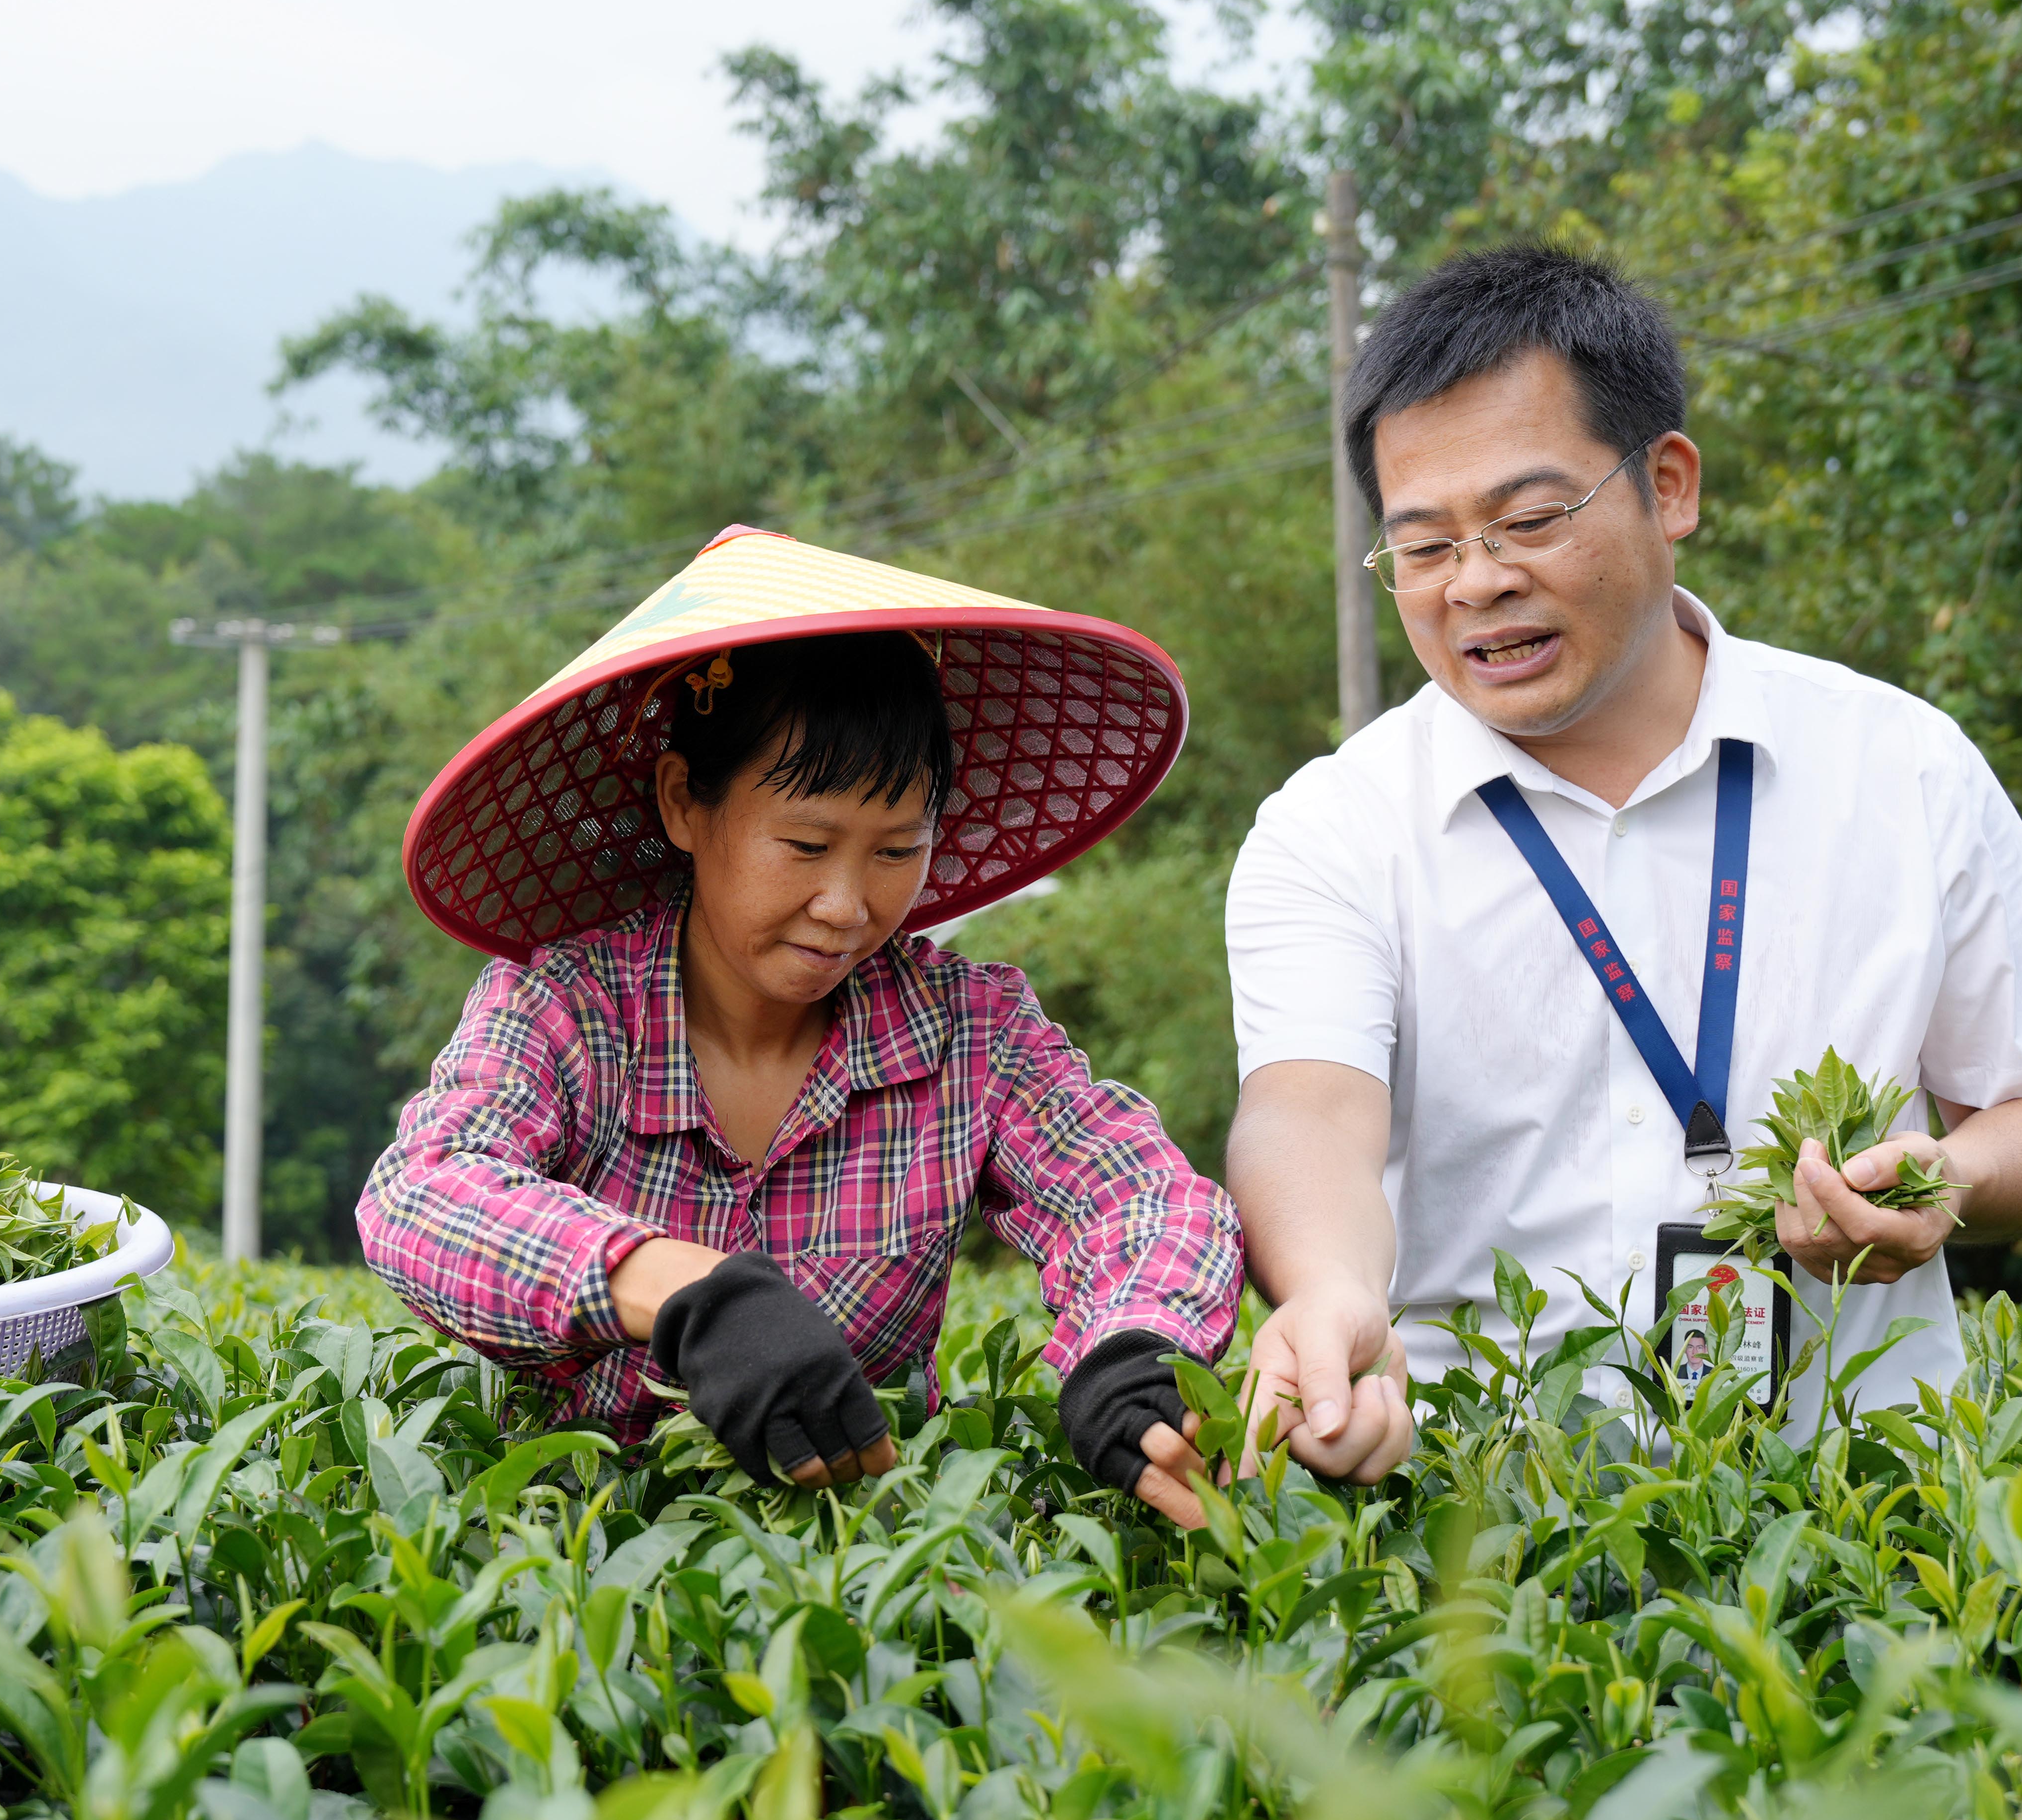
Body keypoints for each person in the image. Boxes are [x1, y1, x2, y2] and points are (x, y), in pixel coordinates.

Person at [1225, 246, 2022, 1448]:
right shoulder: (1335, 826)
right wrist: (1331, 1285)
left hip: (1865, 1517)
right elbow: (1308, 1110)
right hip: (1484, 1522)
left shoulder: (1897, 765)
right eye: (1426, 547)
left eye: (1530, 519)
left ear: (1671, 485)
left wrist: (1949, 1181)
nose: (1477, 584)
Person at [359, 525, 1413, 1520]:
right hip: (568, 1555)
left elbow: (1135, 1197)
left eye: (897, 849)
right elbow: (423, 1194)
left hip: (858, 1574)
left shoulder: (968, 1030)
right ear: (686, 802)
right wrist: (683, 1292)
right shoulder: (573, 1010)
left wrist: (1133, 1350)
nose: (848, 904)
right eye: (807, 845)